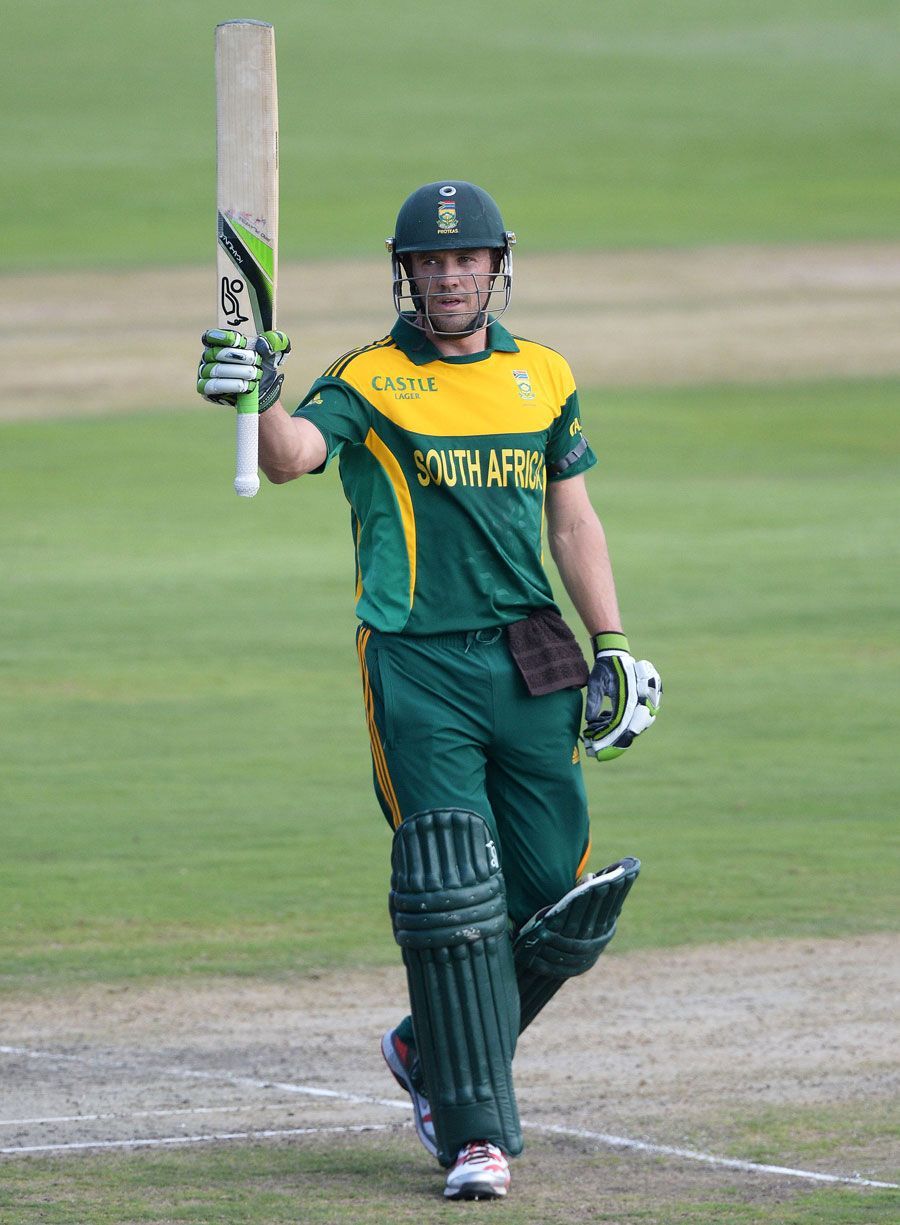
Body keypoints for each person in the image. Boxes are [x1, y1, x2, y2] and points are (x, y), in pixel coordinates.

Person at [197, 181, 661, 1201]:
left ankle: (427, 1044)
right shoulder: (368, 378)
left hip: (534, 657)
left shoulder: (545, 376)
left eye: (467, 259)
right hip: (416, 661)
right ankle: (476, 1133)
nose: (449, 276)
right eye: (430, 261)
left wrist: (613, 639)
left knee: (559, 900)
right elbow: (293, 460)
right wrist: (257, 395)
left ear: (498, 267)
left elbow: (572, 524)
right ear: (403, 272)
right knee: (455, 892)